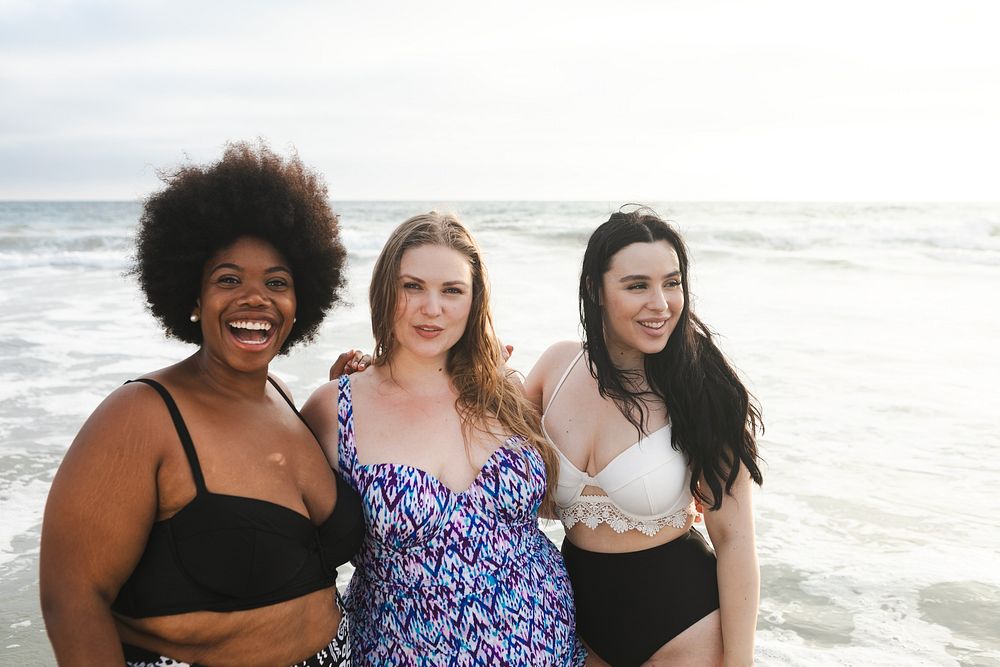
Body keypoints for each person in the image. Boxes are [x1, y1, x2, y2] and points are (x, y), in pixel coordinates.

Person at [39, 143, 365, 666]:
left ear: (300, 300)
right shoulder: (140, 416)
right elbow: (71, 601)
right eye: (228, 280)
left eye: (276, 282)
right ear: (193, 299)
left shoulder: (285, 399)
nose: (255, 298)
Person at [301, 212, 586, 666]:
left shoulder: (503, 390)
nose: (431, 308)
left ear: (474, 302)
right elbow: (292, 548)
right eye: (412, 286)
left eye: (452, 290)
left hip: (552, 646)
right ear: (384, 291)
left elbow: (559, 501)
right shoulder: (333, 410)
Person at [524, 208, 764, 666]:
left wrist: (740, 664)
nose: (661, 303)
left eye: (671, 283)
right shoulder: (557, 367)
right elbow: (471, 432)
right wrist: (378, 376)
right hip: (573, 623)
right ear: (596, 289)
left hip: (684, 626)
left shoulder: (703, 388)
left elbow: (735, 541)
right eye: (638, 285)